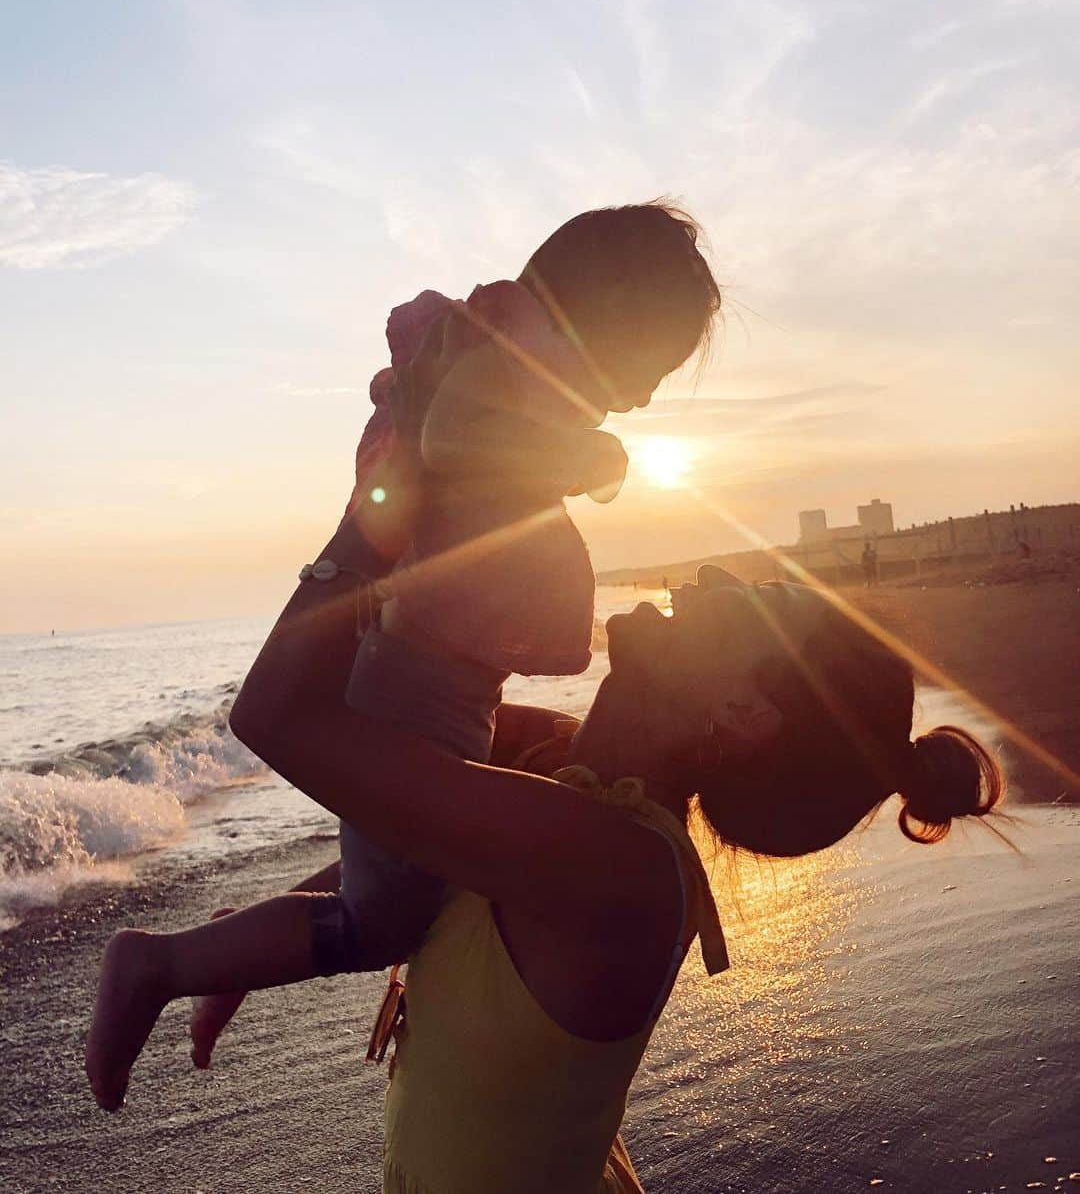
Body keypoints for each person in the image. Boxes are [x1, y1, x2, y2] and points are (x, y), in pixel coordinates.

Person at [87, 541, 1004, 1193]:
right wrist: (244, 945)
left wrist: (372, 530)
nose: (713, 576)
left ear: (744, 710)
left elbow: (282, 719)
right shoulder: (562, 775)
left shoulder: (618, 872)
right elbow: (415, 853)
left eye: (754, 597)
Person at [85, 202, 722, 1110]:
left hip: (437, 671)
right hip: (415, 672)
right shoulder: (506, 360)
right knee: (378, 922)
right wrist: (582, 455)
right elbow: (451, 441)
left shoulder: (516, 358)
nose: (648, 395)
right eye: (649, 365)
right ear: (607, 318)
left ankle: (227, 951)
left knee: (422, 850)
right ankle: (160, 963)